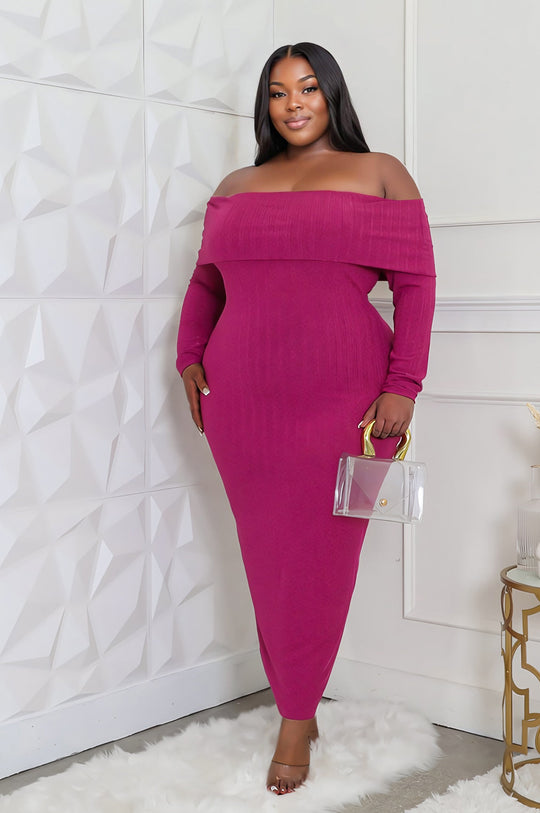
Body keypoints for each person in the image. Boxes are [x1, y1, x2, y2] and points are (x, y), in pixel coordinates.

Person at [176, 42, 436, 796]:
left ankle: (294, 717)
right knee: (266, 554)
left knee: (322, 559)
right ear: (266, 105)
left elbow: (417, 286)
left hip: (351, 403)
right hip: (241, 401)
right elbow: (207, 282)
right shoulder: (237, 186)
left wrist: (405, 386)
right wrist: (189, 356)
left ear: (333, 96)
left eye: (309, 87)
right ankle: (299, 698)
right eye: (279, 91)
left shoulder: (380, 172)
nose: (294, 103)